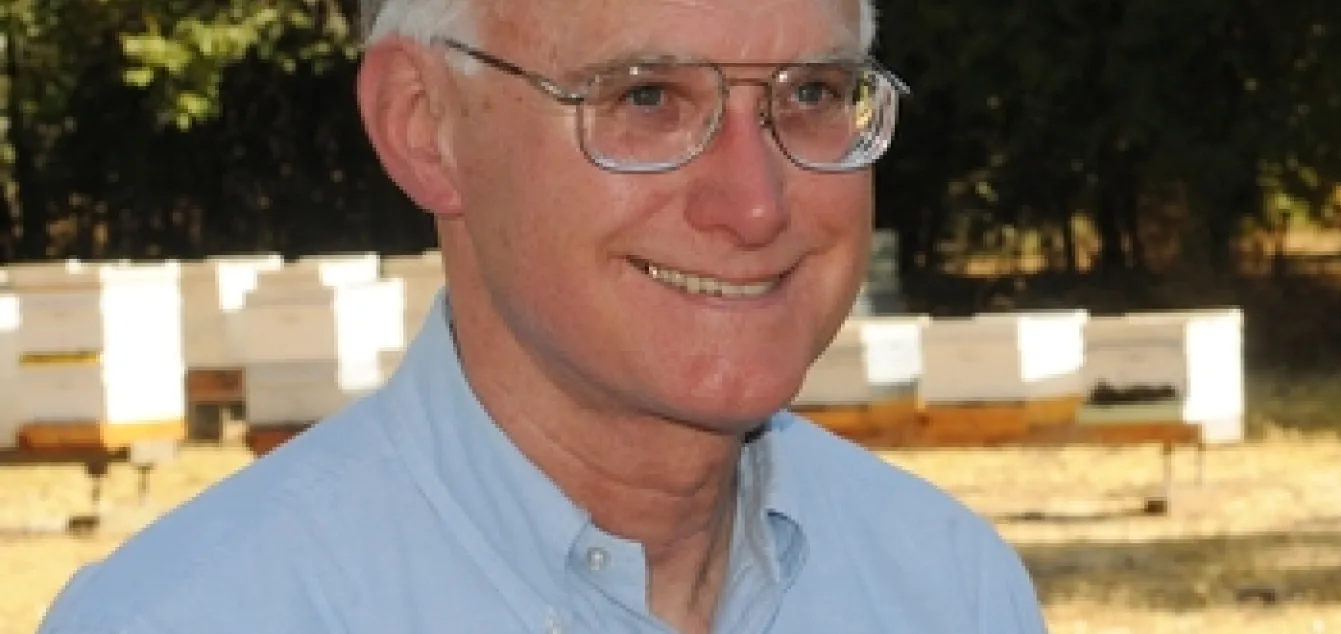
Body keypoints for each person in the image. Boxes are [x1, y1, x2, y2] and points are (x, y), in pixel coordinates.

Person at [36, 0, 1049, 632]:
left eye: (814, 93)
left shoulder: (946, 590)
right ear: (424, 127)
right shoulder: (200, 616)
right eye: (647, 98)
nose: (753, 204)